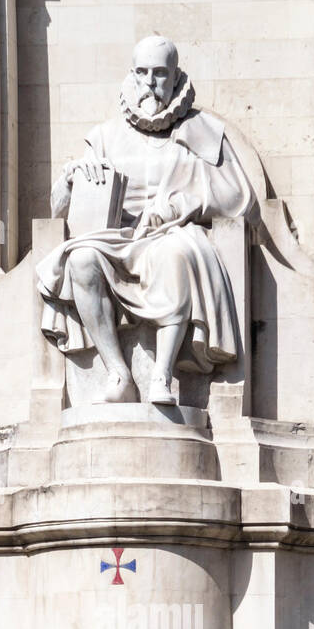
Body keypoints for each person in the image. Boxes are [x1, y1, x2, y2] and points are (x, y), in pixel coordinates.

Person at [36, 34, 257, 405]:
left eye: (159, 73)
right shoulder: (105, 136)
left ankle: (162, 375)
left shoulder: (202, 131)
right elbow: (57, 208)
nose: (149, 83)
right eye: (142, 72)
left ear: (175, 77)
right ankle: (118, 373)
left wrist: (181, 206)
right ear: (131, 75)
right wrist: (72, 178)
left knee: (175, 255)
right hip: (118, 237)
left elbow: (240, 199)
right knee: (81, 260)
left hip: (173, 234)